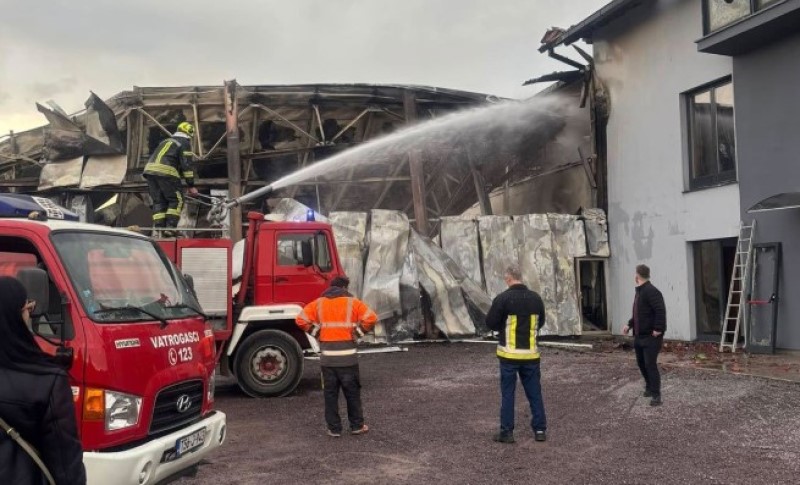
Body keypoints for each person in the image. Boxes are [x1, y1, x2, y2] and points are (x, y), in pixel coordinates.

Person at [0, 276, 86, 484]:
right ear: (15, 316)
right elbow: (67, 466)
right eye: (27, 309)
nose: (29, 315)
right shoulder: (48, 382)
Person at [295, 276, 378, 437]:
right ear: (344, 288)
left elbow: (300, 319)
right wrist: (357, 333)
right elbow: (371, 318)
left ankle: (334, 429)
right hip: (348, 360)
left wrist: (317, 333)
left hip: (328, 360)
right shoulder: (353, 303)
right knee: (352, 394)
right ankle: (356, 426)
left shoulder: (319, 303)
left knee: (330, 395)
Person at [485, 265, 547, 444]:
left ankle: (507, 432)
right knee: (535, 393)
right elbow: (541, 322)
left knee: (508, 394)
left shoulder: (503, 299)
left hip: (509, 356)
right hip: (531, 355)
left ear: (509, 279)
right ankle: (540, 430)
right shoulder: (536, 299)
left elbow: (490, 322)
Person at [143, 121, 198, 237]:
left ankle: (159, 229)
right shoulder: (184, 142)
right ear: (189, 134)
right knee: (177, 200)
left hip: (150, 172)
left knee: (159, 201)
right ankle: (170, 228)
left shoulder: (166, 141)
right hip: (166, 172)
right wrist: (191, 185)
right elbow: (186, 165)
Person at [622, 264, 667, 407]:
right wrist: (629, 325)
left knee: (650, 364)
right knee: (641, 363)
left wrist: (658, 329)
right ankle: (649, 386)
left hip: (651, 337)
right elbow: (639, 314)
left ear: (637, 276)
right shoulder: (640, 292)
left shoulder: (652, 291)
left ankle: (656, 395)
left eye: (634, 274)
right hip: (639, 336)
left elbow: (660, 310)